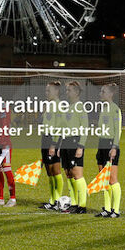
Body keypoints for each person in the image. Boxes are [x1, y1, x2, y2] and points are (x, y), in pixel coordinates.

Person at [60, 80, 89, 214]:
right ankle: (74, 203)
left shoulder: (80, 107)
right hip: (66, 142)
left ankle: (82, 206)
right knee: (69, 174)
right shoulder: (69, 107)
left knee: (77, 174)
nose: (67, 92)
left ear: (76, 92)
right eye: (66, 90)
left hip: (75, 142)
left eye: (69, 90)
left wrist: (80, 146)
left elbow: (85, 128)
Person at [94, 83, 123, 218]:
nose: (101, 94)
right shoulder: (103, 108)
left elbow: (117, 130)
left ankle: (115, 210)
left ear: (110, 94)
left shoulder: (115, 109)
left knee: (112, 179)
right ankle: (106, 208)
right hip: (102, 143)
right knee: (103, 179)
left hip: (111, 144)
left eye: (103, 91)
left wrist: (114, 147)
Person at [38, 81, 64, 211]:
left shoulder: (59, 105)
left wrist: (54, 144)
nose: (46, 93)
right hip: (45, 138)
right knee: (49, 171)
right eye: (46, 90)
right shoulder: (49, 105)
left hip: (54, 140)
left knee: (55, 170)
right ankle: (52, 200)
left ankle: (57, 200)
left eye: (49, 91)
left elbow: (59, 127)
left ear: (56, 91)